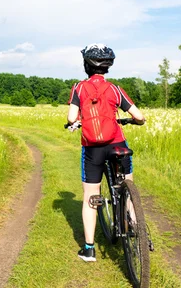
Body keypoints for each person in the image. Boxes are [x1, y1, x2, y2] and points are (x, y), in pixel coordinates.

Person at [67, 43, 145, 262]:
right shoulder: (114, 89)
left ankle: (89, 249)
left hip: (93, 149)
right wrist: (138, 121)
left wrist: (80, 120)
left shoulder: (79, 88)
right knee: (127, 182)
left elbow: (71, 118)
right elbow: (138, 116)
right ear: (108, 67)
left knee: (90, 196)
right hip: (117, 144)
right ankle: (134, 225)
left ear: (86, 65)